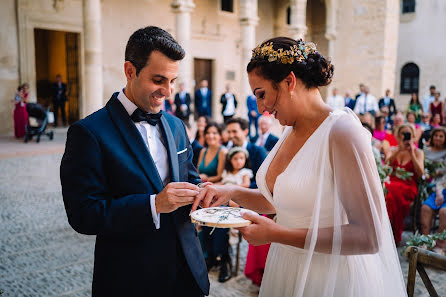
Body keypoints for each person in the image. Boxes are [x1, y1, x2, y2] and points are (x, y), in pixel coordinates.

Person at [194, 37, 406, 297]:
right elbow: (284, 202)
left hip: (330, 277)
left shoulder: (341, 131)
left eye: (262, 95)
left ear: (289, 81)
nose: (260, 108)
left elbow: (368, 236)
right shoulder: (290, 130)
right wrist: (231, 192)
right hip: (286, 267)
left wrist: (277, 234)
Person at [60, 26, 209, 297]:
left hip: (188, 272)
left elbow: (190, 176)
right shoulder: (89, 133)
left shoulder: (176, 125)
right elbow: (83, 215)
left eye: (173, 81)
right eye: (158, 80)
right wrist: (154, 204)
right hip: (130, 278)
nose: (168, 91)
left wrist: (204, 194)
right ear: (130, 71)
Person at [385, 124, 424, 244]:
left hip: (408, 185)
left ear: (412, 136)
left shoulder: (418, 152)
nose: (405, 136)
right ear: (398, 136)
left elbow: (420, 172)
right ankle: (387, 230)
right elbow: (387, 165)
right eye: (403, 133)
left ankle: (390, 231)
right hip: (392, 182)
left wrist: (412, 153)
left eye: (408, 133)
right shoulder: (393, 149)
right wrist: (398, 151)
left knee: (392, 194)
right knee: (387, 192)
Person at [420, 128, 446, 255]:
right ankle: (426, 241)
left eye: (441, 136)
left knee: (444, 212)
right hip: (440, 186)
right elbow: (443, 180)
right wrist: (440, 191)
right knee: (425, 208)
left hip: (438, 182)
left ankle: (441, 245)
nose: (438, 139)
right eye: (436, 136)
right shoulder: (426, 151)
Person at [225, 117, 267, 188]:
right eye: (229, 132)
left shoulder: (258, 151)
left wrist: (237, 189)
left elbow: (263, 180)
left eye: (234, 131)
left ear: (245, 132)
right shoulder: (228, 151)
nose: (231, 135)